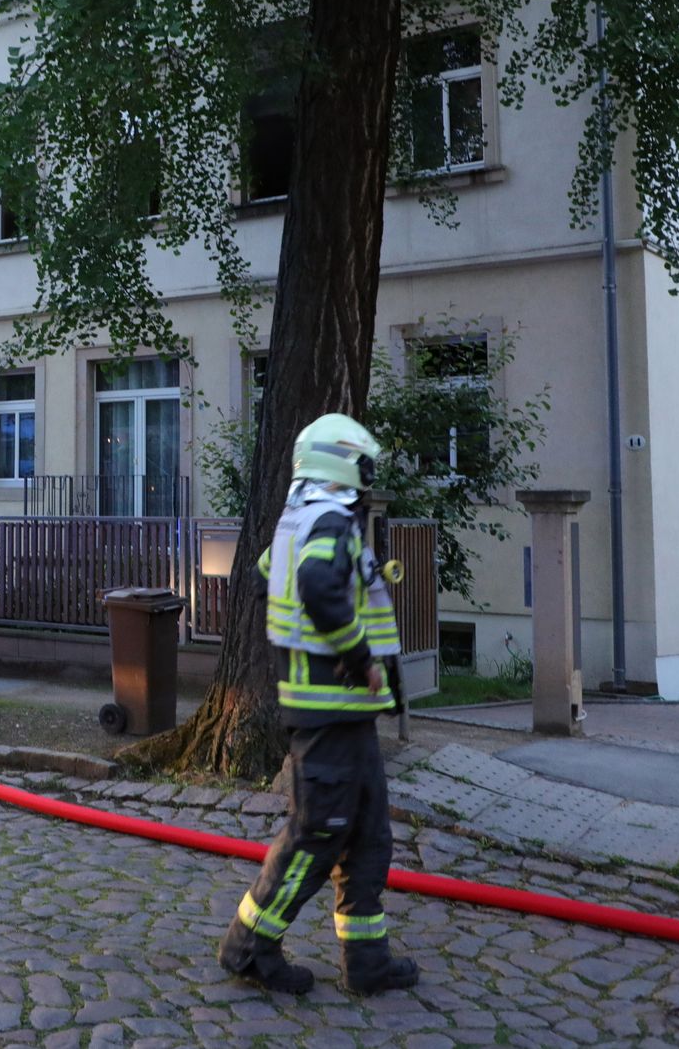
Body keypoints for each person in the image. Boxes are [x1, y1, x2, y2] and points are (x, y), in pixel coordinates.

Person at [217, 412, 419, 997]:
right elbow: (316, 586)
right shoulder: (326, 521)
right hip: (329, 710)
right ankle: (248, 947)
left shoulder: (299, 521)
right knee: (318, 833)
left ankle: (367, 962)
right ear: (343, 465)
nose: (370, 474)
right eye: (364, 464)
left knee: (367, 835)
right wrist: (355, 654)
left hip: (345, 714)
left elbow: (265, 578)